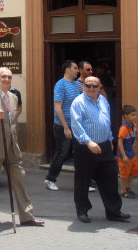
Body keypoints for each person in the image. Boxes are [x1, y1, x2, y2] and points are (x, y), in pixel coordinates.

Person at [0, 67, 44, 226]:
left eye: (9, 77)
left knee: (19, 179)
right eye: (3, 77)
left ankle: (27, 216)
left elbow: (12, 122)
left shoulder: (13, 97)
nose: (7, 79)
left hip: (12, 146)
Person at [70, 76, 130, 223]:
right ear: (83, 86)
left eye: (94, 86)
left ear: (99, 87)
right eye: (88, 85)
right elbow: (76, 125)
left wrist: (110, 139)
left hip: (104, 145)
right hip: (86, 146)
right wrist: (89, 142)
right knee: (83, 181)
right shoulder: (78, 103)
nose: (91, 88)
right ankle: (82, 211)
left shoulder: (103, 100)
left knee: (109, 179)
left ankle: (113, 212)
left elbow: (107, 121)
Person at [45, 60, 81, 191]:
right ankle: (50, 179)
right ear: (67, 70)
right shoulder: (60, 85)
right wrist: (66, 127)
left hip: (76, 125)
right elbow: (58, 107)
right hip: (62, 126)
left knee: (81, 153)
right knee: (62, 153)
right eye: (76, 68)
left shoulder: (77, 85)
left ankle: (83, 183)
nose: (78, 70)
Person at [117, 105, 138, 198]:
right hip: (124, 155)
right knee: (124, 174)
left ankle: (128, 187)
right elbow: (120, 142)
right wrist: (124, 156)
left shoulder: (134, 126)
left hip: (131, 154)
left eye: (135, 115)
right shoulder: (124, 128)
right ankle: (123, 191)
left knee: (134, 172)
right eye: (132, 115)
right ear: (126, 116)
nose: (135, 117)